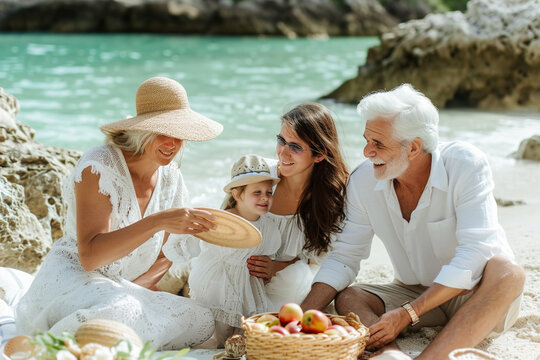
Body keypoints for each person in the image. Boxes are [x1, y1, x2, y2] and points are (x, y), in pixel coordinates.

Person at [301, 84, 525, 360]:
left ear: (414, 147)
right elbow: (345, 257)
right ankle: (390, 355)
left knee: (508, 272)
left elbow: (476, 252)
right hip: (415, 290)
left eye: (378, 143)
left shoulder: (466, 165)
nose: (366, 151)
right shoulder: (363, 181)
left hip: (476, 294)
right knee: (350, 297)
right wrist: (301, 315)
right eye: (366, 140)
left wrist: (409, 313)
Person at [17, 77, 223, 350]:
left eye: (179, 135)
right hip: (74, 278)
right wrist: (156, 221)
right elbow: (91, 257)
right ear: (143, 130)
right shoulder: (99, 166)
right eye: (164, 132)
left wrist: (135, 290)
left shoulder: (172, 178)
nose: (172, 143)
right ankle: (95, 335)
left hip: (117, 288)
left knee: (202, 318)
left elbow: (167, 255)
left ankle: (113, 333)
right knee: (124, 309)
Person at [246, 102, 349, 310]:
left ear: (319, 154)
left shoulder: (331, 198)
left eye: (295, 147)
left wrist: (277, 267)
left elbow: (322, 260)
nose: (283, 153)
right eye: (281, 140)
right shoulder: (259, 178)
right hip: (246, 270)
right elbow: (229, 225)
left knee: (292, 292)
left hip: (289, 280)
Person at [189, 154, 282, 346]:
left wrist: (267, 271)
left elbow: (267, 253)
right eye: (257, 192)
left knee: (245, 336)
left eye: (269, 192)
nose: (265, 197)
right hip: (218, 284)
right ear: (238, 195)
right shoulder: (222, 221)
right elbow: (192, 243)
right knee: (217, 337)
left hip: (247, 284)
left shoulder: (268, 226)